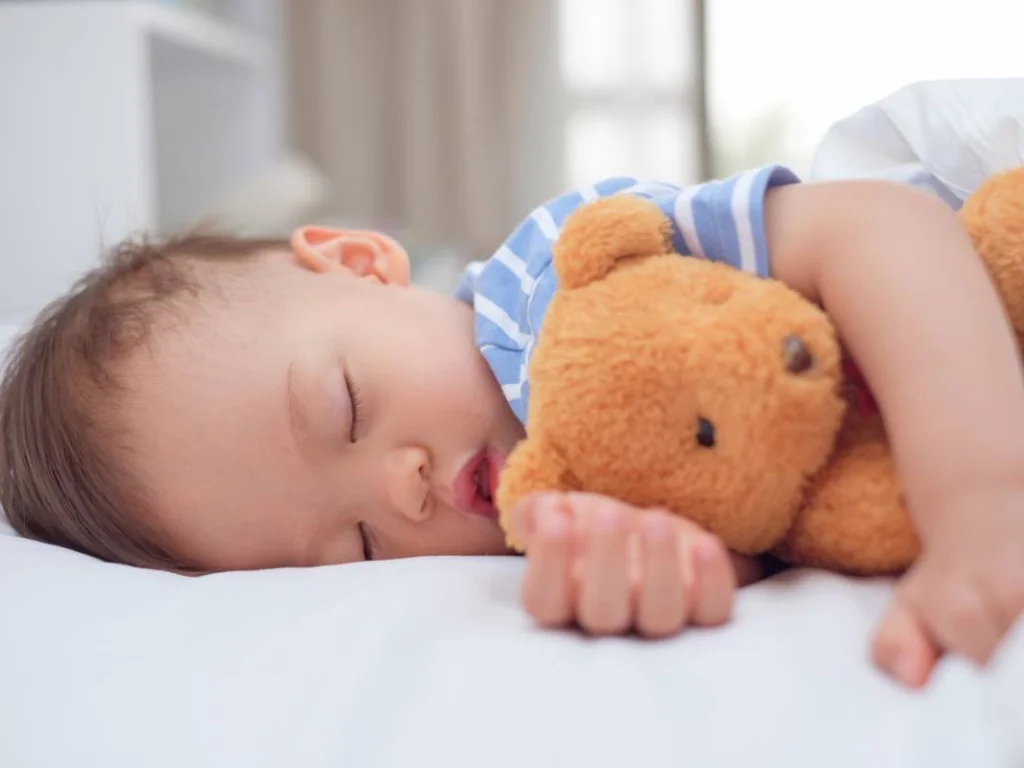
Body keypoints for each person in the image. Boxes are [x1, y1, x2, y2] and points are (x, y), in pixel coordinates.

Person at [2, 166, 1023, 691]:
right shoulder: (543, 531)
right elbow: (766, 503)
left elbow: (883, 227)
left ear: (361, 265)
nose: (398, 493)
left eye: (347, 410)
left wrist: (977, 496)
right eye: (354, 546)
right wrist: (673, 566)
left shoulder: (560, 274)